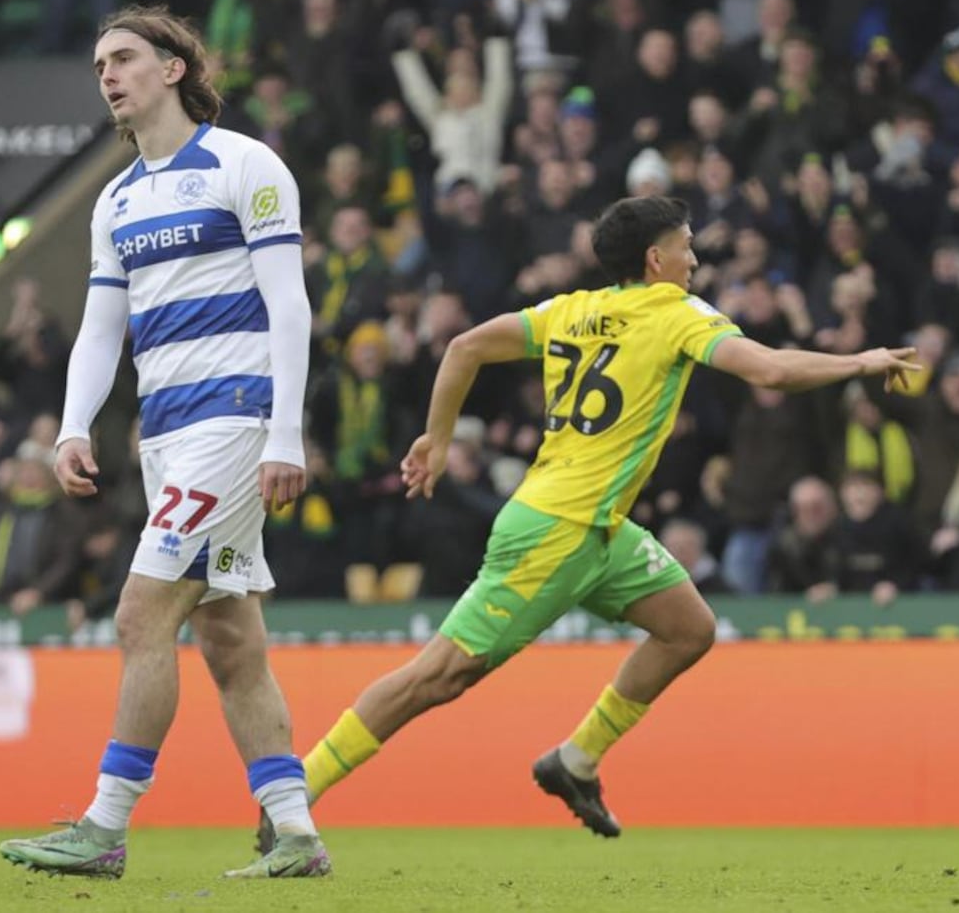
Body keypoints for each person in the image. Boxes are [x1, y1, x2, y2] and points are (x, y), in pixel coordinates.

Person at [257, 195, 919, 850]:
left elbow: (462, 346)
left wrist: (436, 437)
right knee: (438, 676)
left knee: (688, 629)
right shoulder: (677, 312)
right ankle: (294, 795)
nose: (695, 260)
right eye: (687, 247)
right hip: (555, 531)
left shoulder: (572, 309)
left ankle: (574, 761)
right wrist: (860, 362)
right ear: (657, 258)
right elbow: (771, 371)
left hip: (598, 527)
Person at [0, 5, 330, 880]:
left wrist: (285, 433)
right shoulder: (117, 199)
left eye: (124, 57)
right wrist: (72, 427)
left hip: (235, 418)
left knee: (141, 613)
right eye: (99, 62)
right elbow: (101, 331)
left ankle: (105, 825)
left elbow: (289, 305)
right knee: (229, 640)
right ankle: (295, 832)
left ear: (174, 68)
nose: (107, 74)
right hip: (168, 435)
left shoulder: (244, 164)